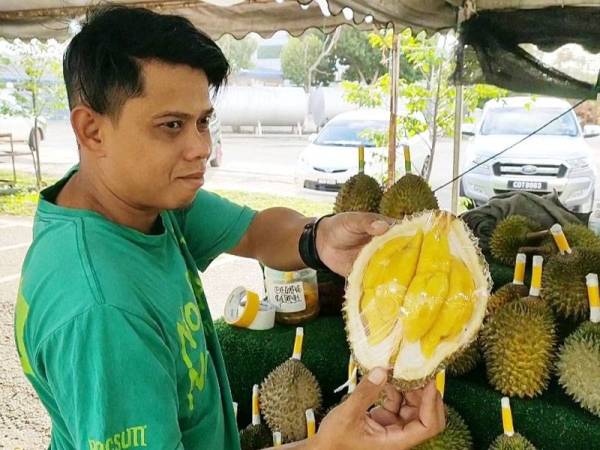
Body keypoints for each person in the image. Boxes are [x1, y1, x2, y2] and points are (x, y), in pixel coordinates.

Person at [14, 6, 445, 450]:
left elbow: (256, 231)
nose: (201, 147)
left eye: (203, 121)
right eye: (172, 126)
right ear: (92, 130)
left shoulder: (140, 201)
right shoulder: (102, 312)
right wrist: (325, 446)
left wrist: (319, 237)